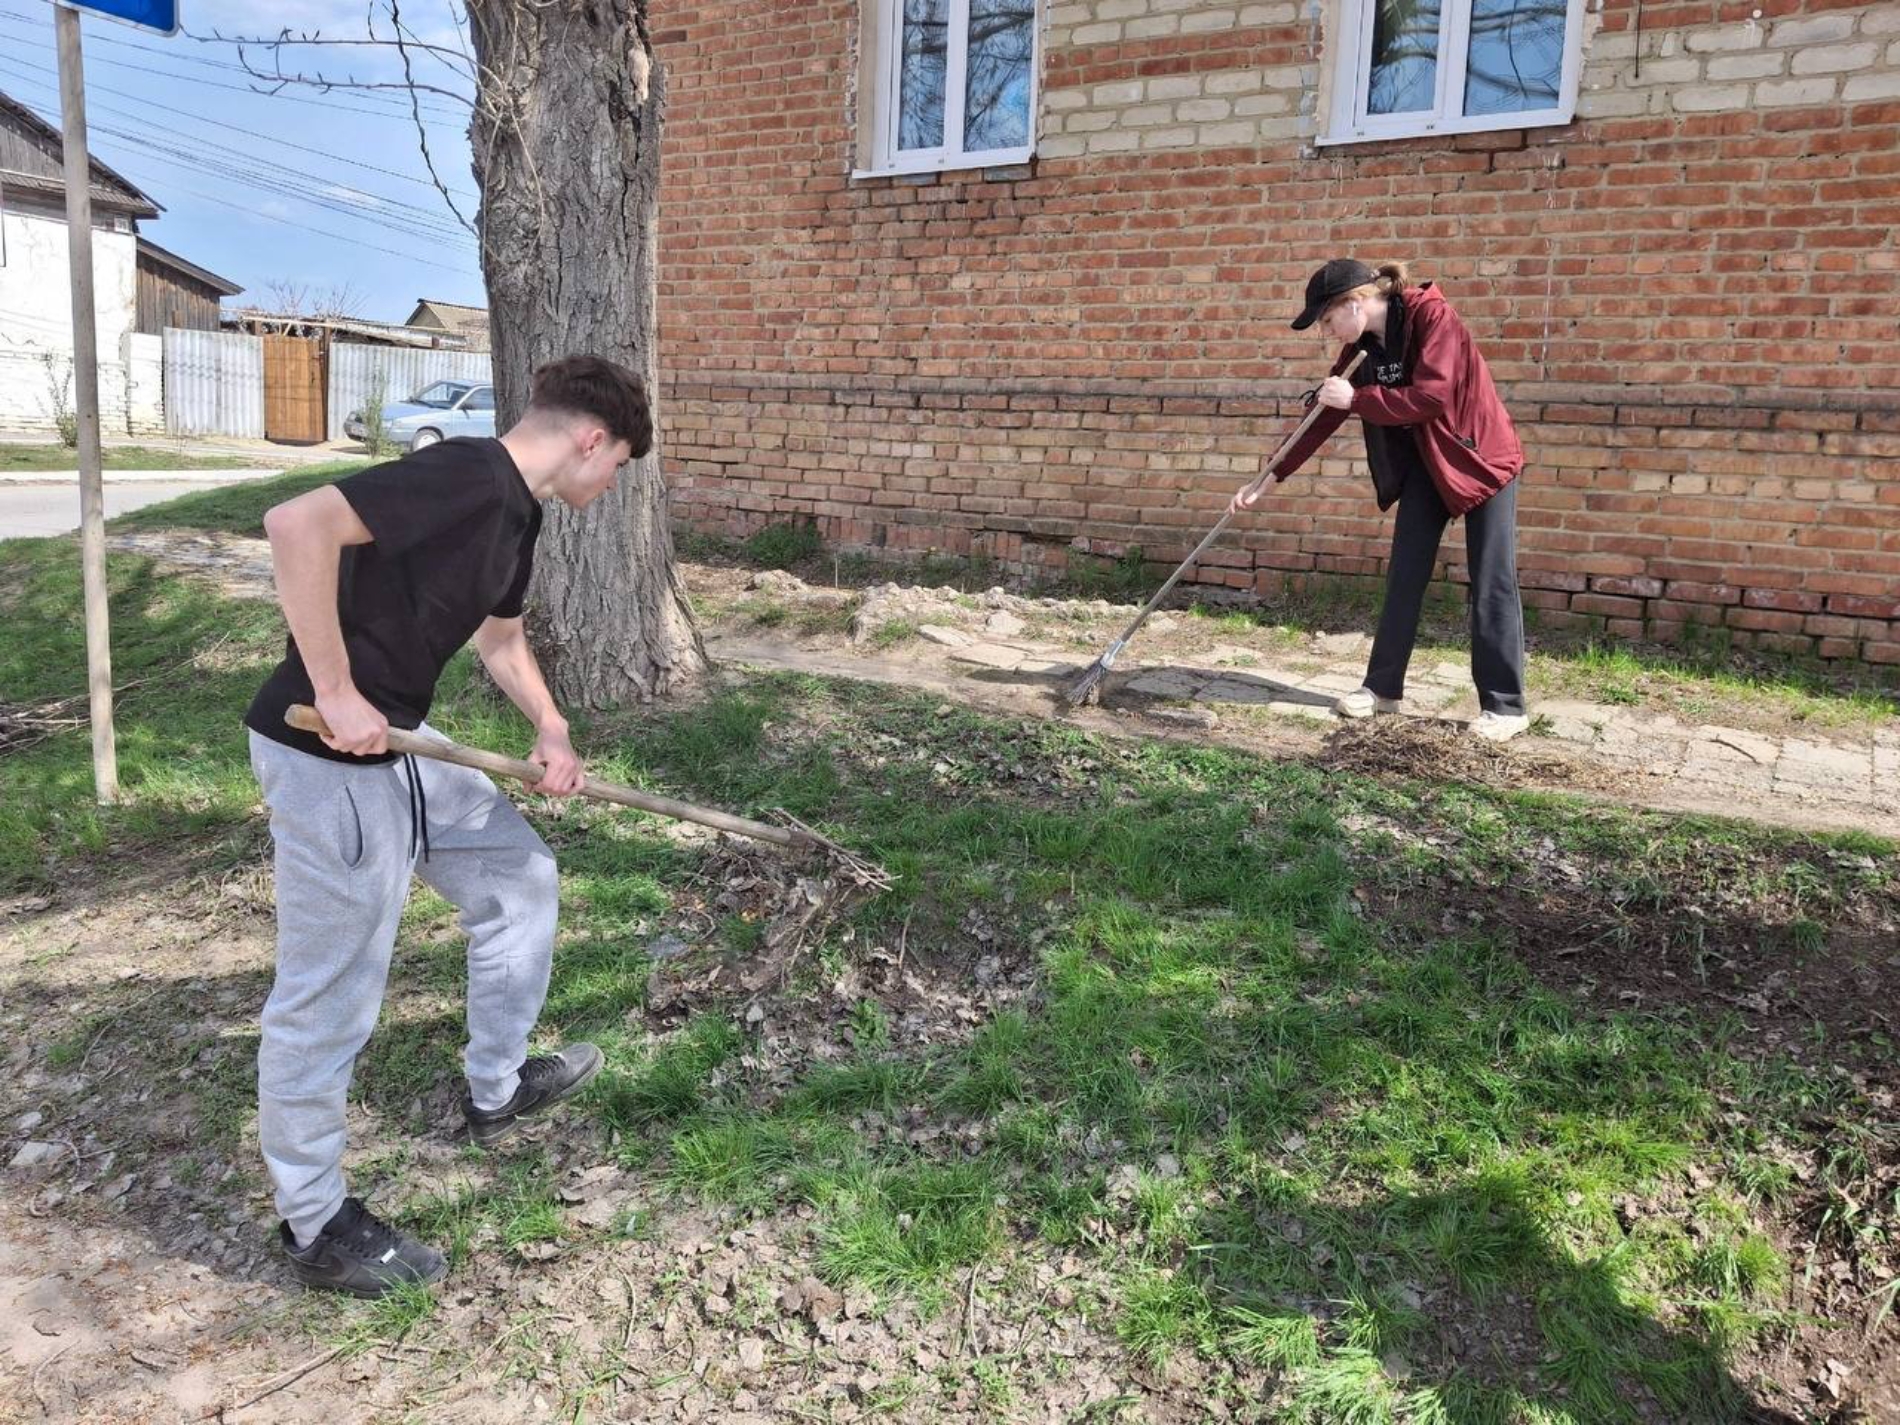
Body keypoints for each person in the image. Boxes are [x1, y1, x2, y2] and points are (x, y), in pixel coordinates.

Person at [244, 355, 652, 1298]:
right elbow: (297, 523)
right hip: (327, 752)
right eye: (619, 465)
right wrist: (335, 689)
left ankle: (496, 1087)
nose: (612, 483)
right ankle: (315, 1220)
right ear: (592, 439)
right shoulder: (469, 473)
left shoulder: (518, 514)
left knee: (519, 876)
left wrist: (550, 725)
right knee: (330, 993)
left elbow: (501, 640)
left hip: (404, 741)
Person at [1233, 259, 1530, 741]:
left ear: (1355, 303)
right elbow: (1324, 413)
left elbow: (1432, 397)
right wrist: (1269, 476)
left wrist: (1356, 400)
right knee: (1404, 575)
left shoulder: (1433, 317)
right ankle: (1382, 689)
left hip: (1483, 458)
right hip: (1427, 465)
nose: (1328, 332)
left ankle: (1505, 707)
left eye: (1328, 319)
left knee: (1491, 579)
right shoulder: (1363, 349)